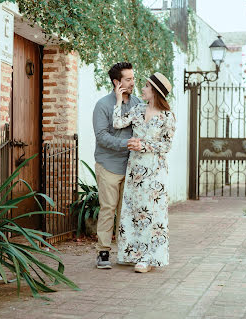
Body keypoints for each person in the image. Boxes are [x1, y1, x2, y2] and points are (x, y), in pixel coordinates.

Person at [113, 72, 176, 273]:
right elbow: (117, 123)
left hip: (156, 170)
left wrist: (144, 145)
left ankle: (149, 258)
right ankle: (133, 253)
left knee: (153, 212)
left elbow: (166, 146)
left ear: (155, 91)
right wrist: (117, 99)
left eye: (147, 86)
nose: (143, 89)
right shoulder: (137, 109)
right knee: (134, 210)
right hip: (135, 169)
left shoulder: (168, 116)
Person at [92, 62, 143, 269]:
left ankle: (125, 251)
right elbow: (102, 136)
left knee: (126, 211)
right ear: (117, 82)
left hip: (131, 167)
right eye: (128, 79)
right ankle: (103, 252)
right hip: (108, 165)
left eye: (133, 78)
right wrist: (126, 143)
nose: (133, 82)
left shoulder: (138, 103)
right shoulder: (103, 105)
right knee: (108, 209)